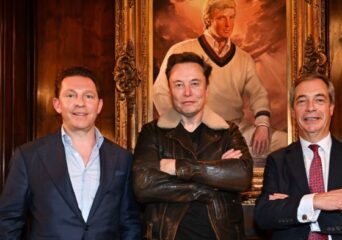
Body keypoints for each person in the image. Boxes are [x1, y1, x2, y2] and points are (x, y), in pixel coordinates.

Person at [0, 66, 141, 239]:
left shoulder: (122, 158)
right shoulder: (29, 156)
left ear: (99, 105)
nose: (80, 103)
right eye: (70, 95)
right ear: (57, 104)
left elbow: (130, 223)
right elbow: (8, 222)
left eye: (88, 96)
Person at [254, 74, 342, 239]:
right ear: (292, 111)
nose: (310, 107)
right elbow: (264, 216)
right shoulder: (277, 160)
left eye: (319, 100)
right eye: (302, 101)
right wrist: (316, 201)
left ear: (331, 108)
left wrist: (301, 206)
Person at [133, 52, 253, 240]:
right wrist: (208, 184)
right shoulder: (152, 132)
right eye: (179, 84)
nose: (187, 92)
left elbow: (242, 176)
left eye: (195, 83)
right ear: (170, 89)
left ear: (207, 89)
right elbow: (143, 185)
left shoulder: (227, 131)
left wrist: (177, 167)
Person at [153, 0, 287, 157]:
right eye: (221, 18)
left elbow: (258, 95)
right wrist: (183, 127)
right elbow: (160, 92)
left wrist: (262, 125)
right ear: (208, 19)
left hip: (235, 130)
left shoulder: (243, 58)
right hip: (194, 131)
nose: (228, 24)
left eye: (232, 17)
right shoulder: (181, 50)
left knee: (285, 142)